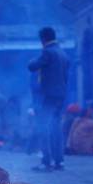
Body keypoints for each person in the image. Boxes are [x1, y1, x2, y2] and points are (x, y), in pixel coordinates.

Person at [28, 27, 70, 171]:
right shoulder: (63, 53)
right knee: (56, 128)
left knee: (43, 127)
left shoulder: (47, 52)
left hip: (49, 96)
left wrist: (33, 59)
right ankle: (59, 161)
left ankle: (46, 161)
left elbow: (32, 66)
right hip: (61, 96)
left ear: (43, 39)